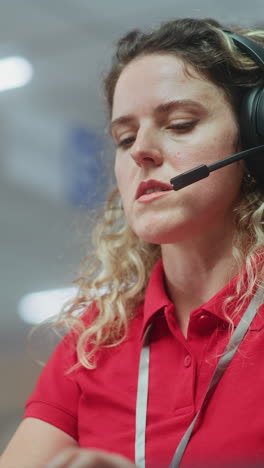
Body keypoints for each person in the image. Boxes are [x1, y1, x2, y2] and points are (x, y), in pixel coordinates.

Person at [1, 17, 264, 468]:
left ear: (255, 139)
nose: (141, 150)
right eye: (124, 138)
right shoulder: (96, 339)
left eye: (180, 124)